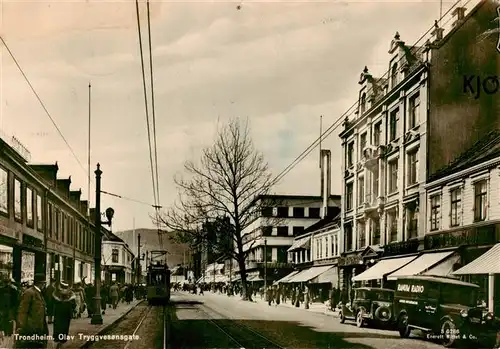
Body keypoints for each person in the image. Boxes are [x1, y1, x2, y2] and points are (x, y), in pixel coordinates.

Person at [16, 273, 49, 349]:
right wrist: (22, 327)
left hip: (39, 327)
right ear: (41, 283)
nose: (44, 285)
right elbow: (22, 311)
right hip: (31, 328)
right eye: (44, 283)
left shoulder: (38, 293)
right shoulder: (29, 293)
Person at [52, 281, 76, 349]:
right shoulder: (71, 294)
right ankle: (62, 342)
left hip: (58, 313)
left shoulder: (56, 293)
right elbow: (74, 305)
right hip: (66, 314)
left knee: (57, 326)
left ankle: (57, 340)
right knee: (65, 327)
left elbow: (52, 301)